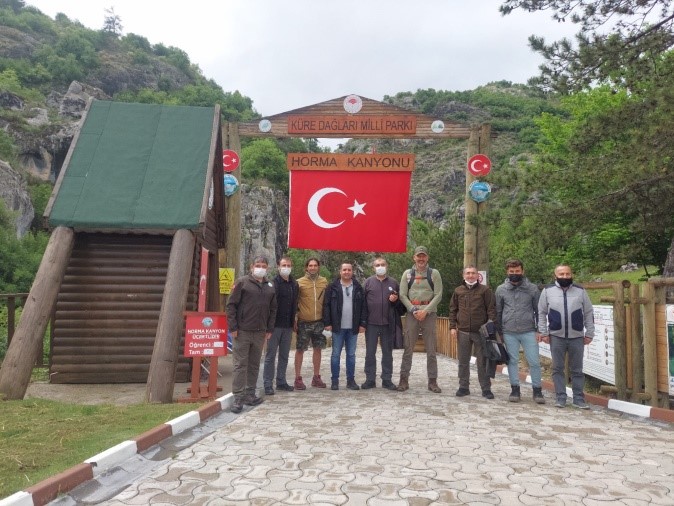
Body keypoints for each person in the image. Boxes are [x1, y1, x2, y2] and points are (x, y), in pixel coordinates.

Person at [537, 264, 595, 409]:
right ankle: (560, 397)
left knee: (577, 370)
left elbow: (588, 313)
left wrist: (589, 333)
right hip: (556, 336)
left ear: (571, 274)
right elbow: (541, 313)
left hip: (577, 336)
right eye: (561, 274)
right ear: (555, 276)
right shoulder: (547, 291)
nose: (565, 276)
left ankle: (578, 398)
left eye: (567, 274)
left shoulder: (580, 291)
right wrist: (543, 332)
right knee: (557, 368)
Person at [226, 255, 277, 414]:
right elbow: (231, 305)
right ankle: (238, 397)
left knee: (254, 364)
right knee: (240, 364)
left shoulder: (270, 286)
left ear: (267, 268)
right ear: (251, 267)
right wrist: (233, 327)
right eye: (258, 265)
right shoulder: (242, 282)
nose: (260, 268)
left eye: (263, 266)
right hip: (242, 331)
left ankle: (250, 393)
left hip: (260, 332)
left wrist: (269, 329)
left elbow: (273, 309)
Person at [495, 259, 545, 404]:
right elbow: (498, 311)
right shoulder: (501, 290)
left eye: (517, 271)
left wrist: (539, 330)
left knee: (534, 361)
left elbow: (539, 311)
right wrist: (499, 332)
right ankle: (515, 389)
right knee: (512, 361)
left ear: (522, 271)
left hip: (529, 331)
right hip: (509, 331)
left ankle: (537, 390)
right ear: (507, 272)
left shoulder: (533, 289)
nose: (514, 273)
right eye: (512, 271)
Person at [398, 246, 443, 393]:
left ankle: (432, 381)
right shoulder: (407, 274)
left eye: (423, 256)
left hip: (429, 313)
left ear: (427, 258)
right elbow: (402, 295)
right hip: (412, 313)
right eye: (419, 256)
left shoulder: (434, 273)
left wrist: (426, 311)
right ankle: (403, 379)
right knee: (408, 348)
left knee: (431, 349)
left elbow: (438, 295)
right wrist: (413, 309)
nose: (421, 259)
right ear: (414, 258)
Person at [449, 265, 497, 399]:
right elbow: (453, 309)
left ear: (477, 275)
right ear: (463, 275)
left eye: (473, 273)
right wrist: (452, 326)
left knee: (482, 361)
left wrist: (490, 326)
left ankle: (486, 388)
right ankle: (463, 387)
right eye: (468, 273)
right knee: (463, 361)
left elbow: (491, 309)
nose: (470, 275)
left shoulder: (485, 290)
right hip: (463, 331)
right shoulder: (458, 291)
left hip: (481, 332)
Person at [323, 262, 367, 390]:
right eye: (344, 270)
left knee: (351, 355)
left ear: (352, 272)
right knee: (335, 354)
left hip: (353, 327)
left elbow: (363, 307)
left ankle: (350, 380)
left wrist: (362, 323)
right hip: (337, 327)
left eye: (349, 270)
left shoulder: (358, 287)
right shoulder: (332, 287)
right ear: (340, 271)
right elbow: (326, 306)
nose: (346, 272)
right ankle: (334, 381)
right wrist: (327, 323)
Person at [362, 256, 404, 390]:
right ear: (373, 268)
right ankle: (370, 379)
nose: (380, 267)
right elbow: (362, 304)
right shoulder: (368, 282)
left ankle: (387, 379)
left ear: (387, 266)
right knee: (370, 353)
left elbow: (401, 306)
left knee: (387, 353)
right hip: (371, 324)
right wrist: (362, 322)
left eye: (382, 264)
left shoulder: (394, 283)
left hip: (388, 324)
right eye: (377, 265)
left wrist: (395, 300)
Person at [262, 255, 298, 395]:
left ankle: (281, 381)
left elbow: (294, 304)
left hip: (288, 325)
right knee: (270, 355)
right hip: (274, 326)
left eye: (288, 265)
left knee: (284, 355)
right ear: (278, 267)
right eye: (284, 265)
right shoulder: (272, 284)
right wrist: (268, 327)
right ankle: (267, 384)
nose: (286, 268)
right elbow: (269, 306)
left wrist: (294, 321)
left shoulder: (294, 284)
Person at [293, 257, 329, 390]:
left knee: (318, 349)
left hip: (319, 321)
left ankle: (316, 377)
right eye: (310, 265)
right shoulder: (299, 283)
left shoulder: (324, 281)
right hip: (304, 322)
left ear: (318, 267)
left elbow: (327, 302)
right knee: (300, 350)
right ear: (306, 267)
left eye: (315, 265)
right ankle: (297, 378)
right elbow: (294, 302)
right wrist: (294, 319)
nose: (313, 268)